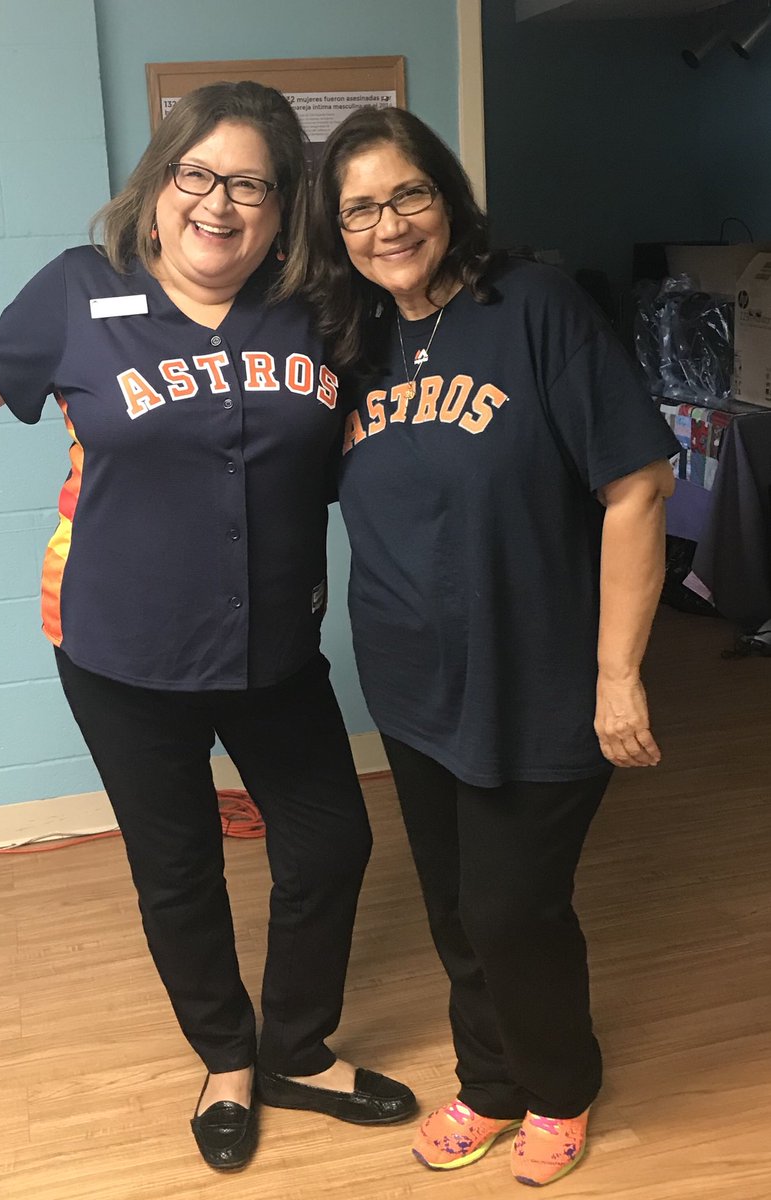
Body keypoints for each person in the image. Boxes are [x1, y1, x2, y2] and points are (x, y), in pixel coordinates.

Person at [0, 81, 416, 1173]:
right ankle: (226, 1059)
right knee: (178, 868)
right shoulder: (78, 289)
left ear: (280, 211)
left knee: (332, 841)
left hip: (274, 648)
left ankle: (295, 1049)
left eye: (251, 186)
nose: (218, 203)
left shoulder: (316, 308)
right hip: (122, 653)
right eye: (198, 174)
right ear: (158, 184)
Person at [307, 106, 679, 1188]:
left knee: (511, 908)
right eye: (359, 210)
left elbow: (636, 487)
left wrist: (617, 674)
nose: (387, 226)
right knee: (453, 904)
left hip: (539, 675)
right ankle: (489, 1080)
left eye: (408, 195)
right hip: (411, 683)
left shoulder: (534, 307)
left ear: (448, 197)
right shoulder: (350, 340)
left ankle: (558, 1087)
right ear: (335, 230)